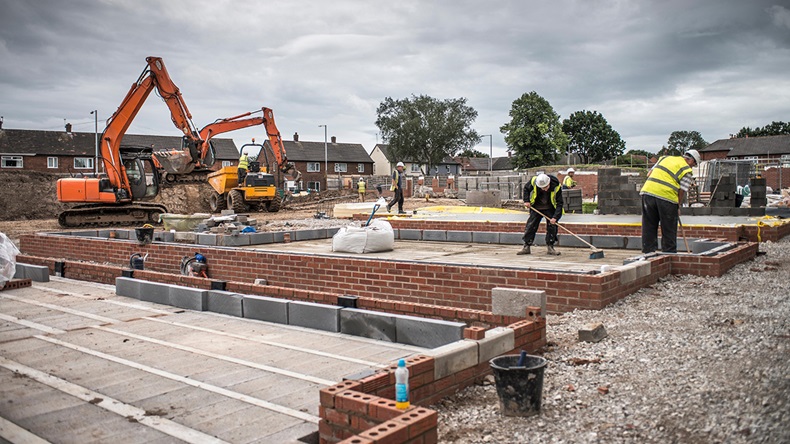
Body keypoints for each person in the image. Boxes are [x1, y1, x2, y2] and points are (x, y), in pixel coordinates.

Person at [640, 149, 700, 253]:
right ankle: (669, 254)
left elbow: (649, 174)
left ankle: (647, 253)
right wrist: (677, 206)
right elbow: (682, 191)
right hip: (666, 198)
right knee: (669, 228)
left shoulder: (664, 158)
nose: (692, 167)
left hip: (647, 193)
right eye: (694, 165)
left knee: (649, 226)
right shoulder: (687, 170)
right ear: (691, 161)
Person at [517, 173, 564, 256]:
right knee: (531, 226)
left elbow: (559, 203)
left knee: (552, 227)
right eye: (542, 188)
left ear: (549, 183)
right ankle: (526, 246)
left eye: (546, 187)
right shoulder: (534, 181)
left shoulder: (556, 186)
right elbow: (526, 189)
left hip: (550, 208)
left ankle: (550, 246)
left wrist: (555, 217)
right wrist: (526, 201)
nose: (544, 189)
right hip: (536, 207)